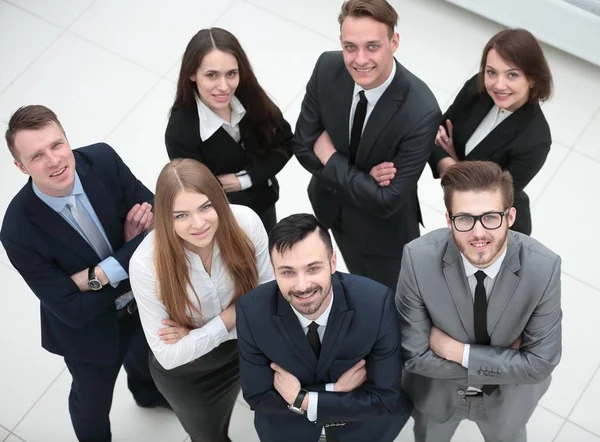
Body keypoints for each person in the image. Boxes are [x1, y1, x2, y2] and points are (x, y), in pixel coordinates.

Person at [0, 105, 167, 442]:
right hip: (89, 332)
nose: (54, 160)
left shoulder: (101, 160)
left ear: (67, 139)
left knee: (145, 356)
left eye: (57, 145)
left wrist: (97, 275)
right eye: (37, 156)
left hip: (141, 301)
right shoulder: (17, 230)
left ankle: (147, 395)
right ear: (20, 167)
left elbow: (159, 220)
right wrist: (129, 248)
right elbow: (71, 309)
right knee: (91, 403)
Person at [396, 161, 562, 442]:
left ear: (510, 216)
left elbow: (540, 364)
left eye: (490, 217)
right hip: (437, 395)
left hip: (509, 401)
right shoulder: (417, 259)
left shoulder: (544, 268)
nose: (478, 233)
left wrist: (458, 352)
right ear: (448, 220)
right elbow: (413, 356)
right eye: (464, 218)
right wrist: (509, 364)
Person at [292, 0, 440, 289]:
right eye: (350, 47)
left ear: (394, 42)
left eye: (372, 46)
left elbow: (387, 201)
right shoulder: (326, 68)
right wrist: (363, 179)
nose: (359, 60)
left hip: (383, 235)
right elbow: (302, 145)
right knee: (354, 279)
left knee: (388, 298)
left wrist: (332, 158)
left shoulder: (421, 111)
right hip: (332, 209)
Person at [129, 158, 273, 442]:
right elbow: (169, 356)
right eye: (180, 215)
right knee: (209, 436)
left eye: (206, 207)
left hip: (252, 345)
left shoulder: (245, 221)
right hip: (192, 374)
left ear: (218, 199)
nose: (198, 224)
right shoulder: (146, 263)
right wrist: (229, 317)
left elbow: (268, 300)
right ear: (164, 217)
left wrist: (195, 333)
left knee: (277, 416)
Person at [236, 213, 412, 442]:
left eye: (312, 268)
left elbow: (384, 398)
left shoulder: (376, 303)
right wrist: (335, 391)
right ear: (273, 269)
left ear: (332, 262)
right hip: (289, 431)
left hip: (361, 431)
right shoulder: (251, 311)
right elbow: (258, 396)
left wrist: (303, 400)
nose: (302, 286)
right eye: (288, 271)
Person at [165, 27, 294, 233]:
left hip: (264, 203)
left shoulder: (251, 97)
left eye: (231, 74)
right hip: (224, 221)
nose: (224, 86)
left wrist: (244, 180)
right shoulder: (180, 132)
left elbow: (286, 143)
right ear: (192, 74)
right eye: (212, 75)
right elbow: (194, 193)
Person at [429, 28, 553, 235]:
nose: (498, 85)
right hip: (461, 212)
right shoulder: (476, 89)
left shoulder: (536, 139)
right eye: (491, 72)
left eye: (512, 74)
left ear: (532, 78)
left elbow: (487, 200)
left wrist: (453, 167)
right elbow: (434, 133)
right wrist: (454, 165)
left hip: (496, 226)